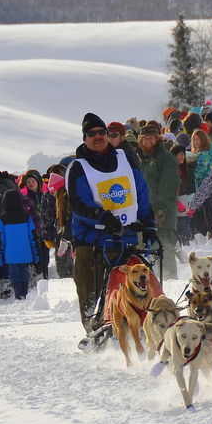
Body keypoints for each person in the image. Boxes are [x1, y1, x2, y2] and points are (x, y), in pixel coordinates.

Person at [66, 113, 155, 333]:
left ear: (107, 135)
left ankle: (136, 324)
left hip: (125, 238)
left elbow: (140, 193)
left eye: (101, 132)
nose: (97, 137)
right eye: (91, 134)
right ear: (85, 138)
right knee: (91, 292)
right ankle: (94, 328)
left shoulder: (124, 159)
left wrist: (150, 224)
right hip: (92, 240)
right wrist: (104, 218)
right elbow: (79, 204)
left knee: (131, 288)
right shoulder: (78, 167)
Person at [137, 125, 179, 280]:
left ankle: (170, 281)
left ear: (157, 139)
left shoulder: (165, 157)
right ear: (140, 141)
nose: (148, 141)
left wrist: (160, 209)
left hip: (163, 212)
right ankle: (156, 281)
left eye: (151, 138)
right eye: (145, 138)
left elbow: (170, 184)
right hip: (147, 212)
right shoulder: (145, 160)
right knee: (151, 249)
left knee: (164, 247)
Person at [0, 189, 39, 300]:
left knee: (14, 275)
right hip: (25, 252)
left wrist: (0, 256)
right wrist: (36, 254)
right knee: (24, 273)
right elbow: (32, 236)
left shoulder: (1, 219)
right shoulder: (26, 216)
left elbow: (0, 240)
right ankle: (25, 293)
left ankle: (18, 294)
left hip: (10, 254)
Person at [41, 165, 73, 279]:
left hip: (65, 235)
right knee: (64, 268)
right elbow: (47, 218)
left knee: (66, 268)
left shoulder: (69, 197)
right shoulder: (57, 197)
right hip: (60, 235)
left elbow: (47, 218)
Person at [190, 129, 212, 238]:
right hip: (200, 186)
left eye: (198, 138)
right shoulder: (194, 154)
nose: (196, 141)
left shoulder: (211, 149)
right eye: (194, 139)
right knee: (206, 209)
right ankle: (211, 230)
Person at [170, 144, 195, 247]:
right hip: (175, 200)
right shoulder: (171, 169)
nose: (182, 156)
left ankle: (185, 246)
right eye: (179, 154)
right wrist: (178, 201)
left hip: (182, 199)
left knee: (184, 225)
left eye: (183, 154)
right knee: (179, 226)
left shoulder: (181, 168)